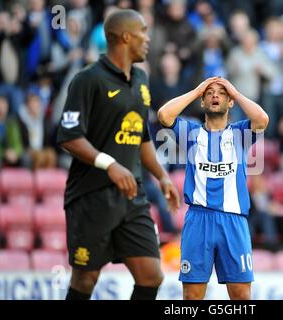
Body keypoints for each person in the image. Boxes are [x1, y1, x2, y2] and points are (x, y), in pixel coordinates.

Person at [56, 9, 180, 301]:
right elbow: (69, 137)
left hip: (132, 195)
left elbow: (142, 136)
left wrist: (162, 176)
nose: (148, 38)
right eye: (143, 32)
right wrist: (109, 165)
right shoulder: (88, 79)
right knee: (85, 280)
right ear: (125, 37)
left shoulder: (141, 79)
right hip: (91, 195)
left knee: (151, 275)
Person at [157, 76, 269, 300]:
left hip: (233, 221)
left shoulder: (240, 134)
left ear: (230, 103)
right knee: (191, 297)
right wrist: (196, 90)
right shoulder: (191, 133)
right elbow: (164, 115)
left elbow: (262, 119)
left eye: (221, 93)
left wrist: (235, 93)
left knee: (241, 296)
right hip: (198, 220)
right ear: (202, 101)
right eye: (209, 93)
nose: (215, 95)